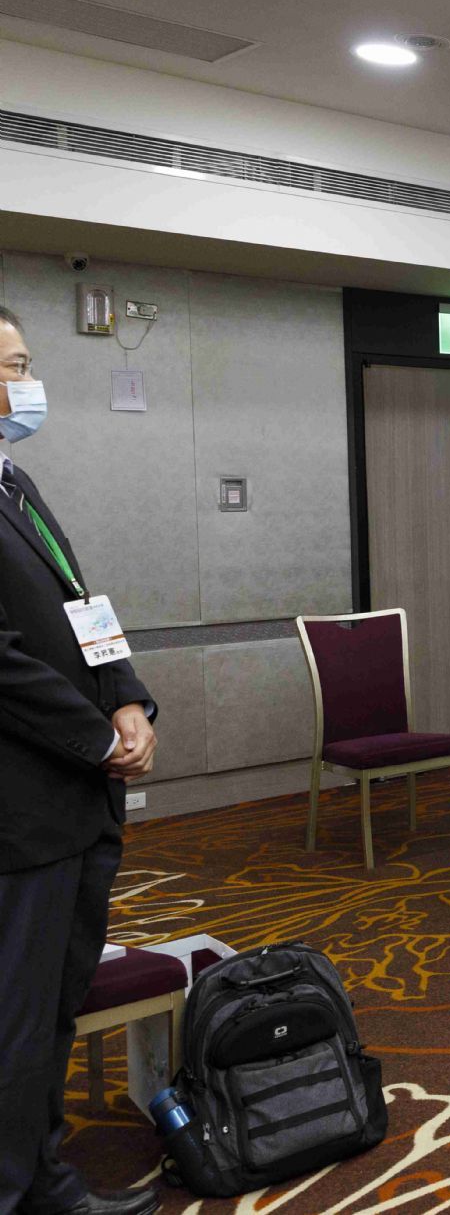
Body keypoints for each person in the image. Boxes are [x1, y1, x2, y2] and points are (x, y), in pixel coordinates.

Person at [0, 306, 162, 1215]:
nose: (26, 383)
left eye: (25, 362)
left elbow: (81, 606)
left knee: (50, 1009)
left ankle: (43, 1181)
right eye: (10, 366)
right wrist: (97, 737)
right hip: (20, 815)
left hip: (71, 807)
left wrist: (129, 696)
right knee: (13, 1021)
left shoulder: (15, 480)